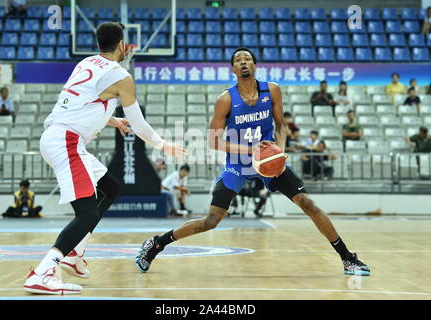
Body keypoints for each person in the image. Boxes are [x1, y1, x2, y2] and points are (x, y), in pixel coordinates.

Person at [135, 47, 370, 277]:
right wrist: (250, 149)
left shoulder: (273, 90)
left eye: (248, 59)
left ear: (255, 66)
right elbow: (214, 142)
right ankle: (156, 244)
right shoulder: (225, 100)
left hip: (269, 163)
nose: (244, 62)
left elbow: (282, 127)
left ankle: (347, 257)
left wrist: (280, 150)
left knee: (308, 204)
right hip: (238, 164)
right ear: (233, 69)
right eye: (239, 60)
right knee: (211, 220)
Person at [23, 22, 187, 295]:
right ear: (123, 44)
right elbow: (141, 125)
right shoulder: (121, 76)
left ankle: (75, 253)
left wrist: (111, 120)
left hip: (59, 136)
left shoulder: (87, 63)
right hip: (68, 142)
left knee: (110, 188)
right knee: (86, 213)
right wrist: (163, 144)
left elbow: (78, 104)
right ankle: (43, 271)